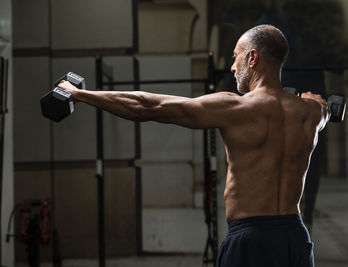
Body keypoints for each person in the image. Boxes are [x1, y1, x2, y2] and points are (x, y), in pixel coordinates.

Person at [58, 24, 330, 267]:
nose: (233, 66)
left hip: (251, 239)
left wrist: (80, 94)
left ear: (253, 57)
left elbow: (149, 106)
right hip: (295, 237)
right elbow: (325, 110)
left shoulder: (235, 107)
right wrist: (317, 102)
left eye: (236, 56)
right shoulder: (311, 113)